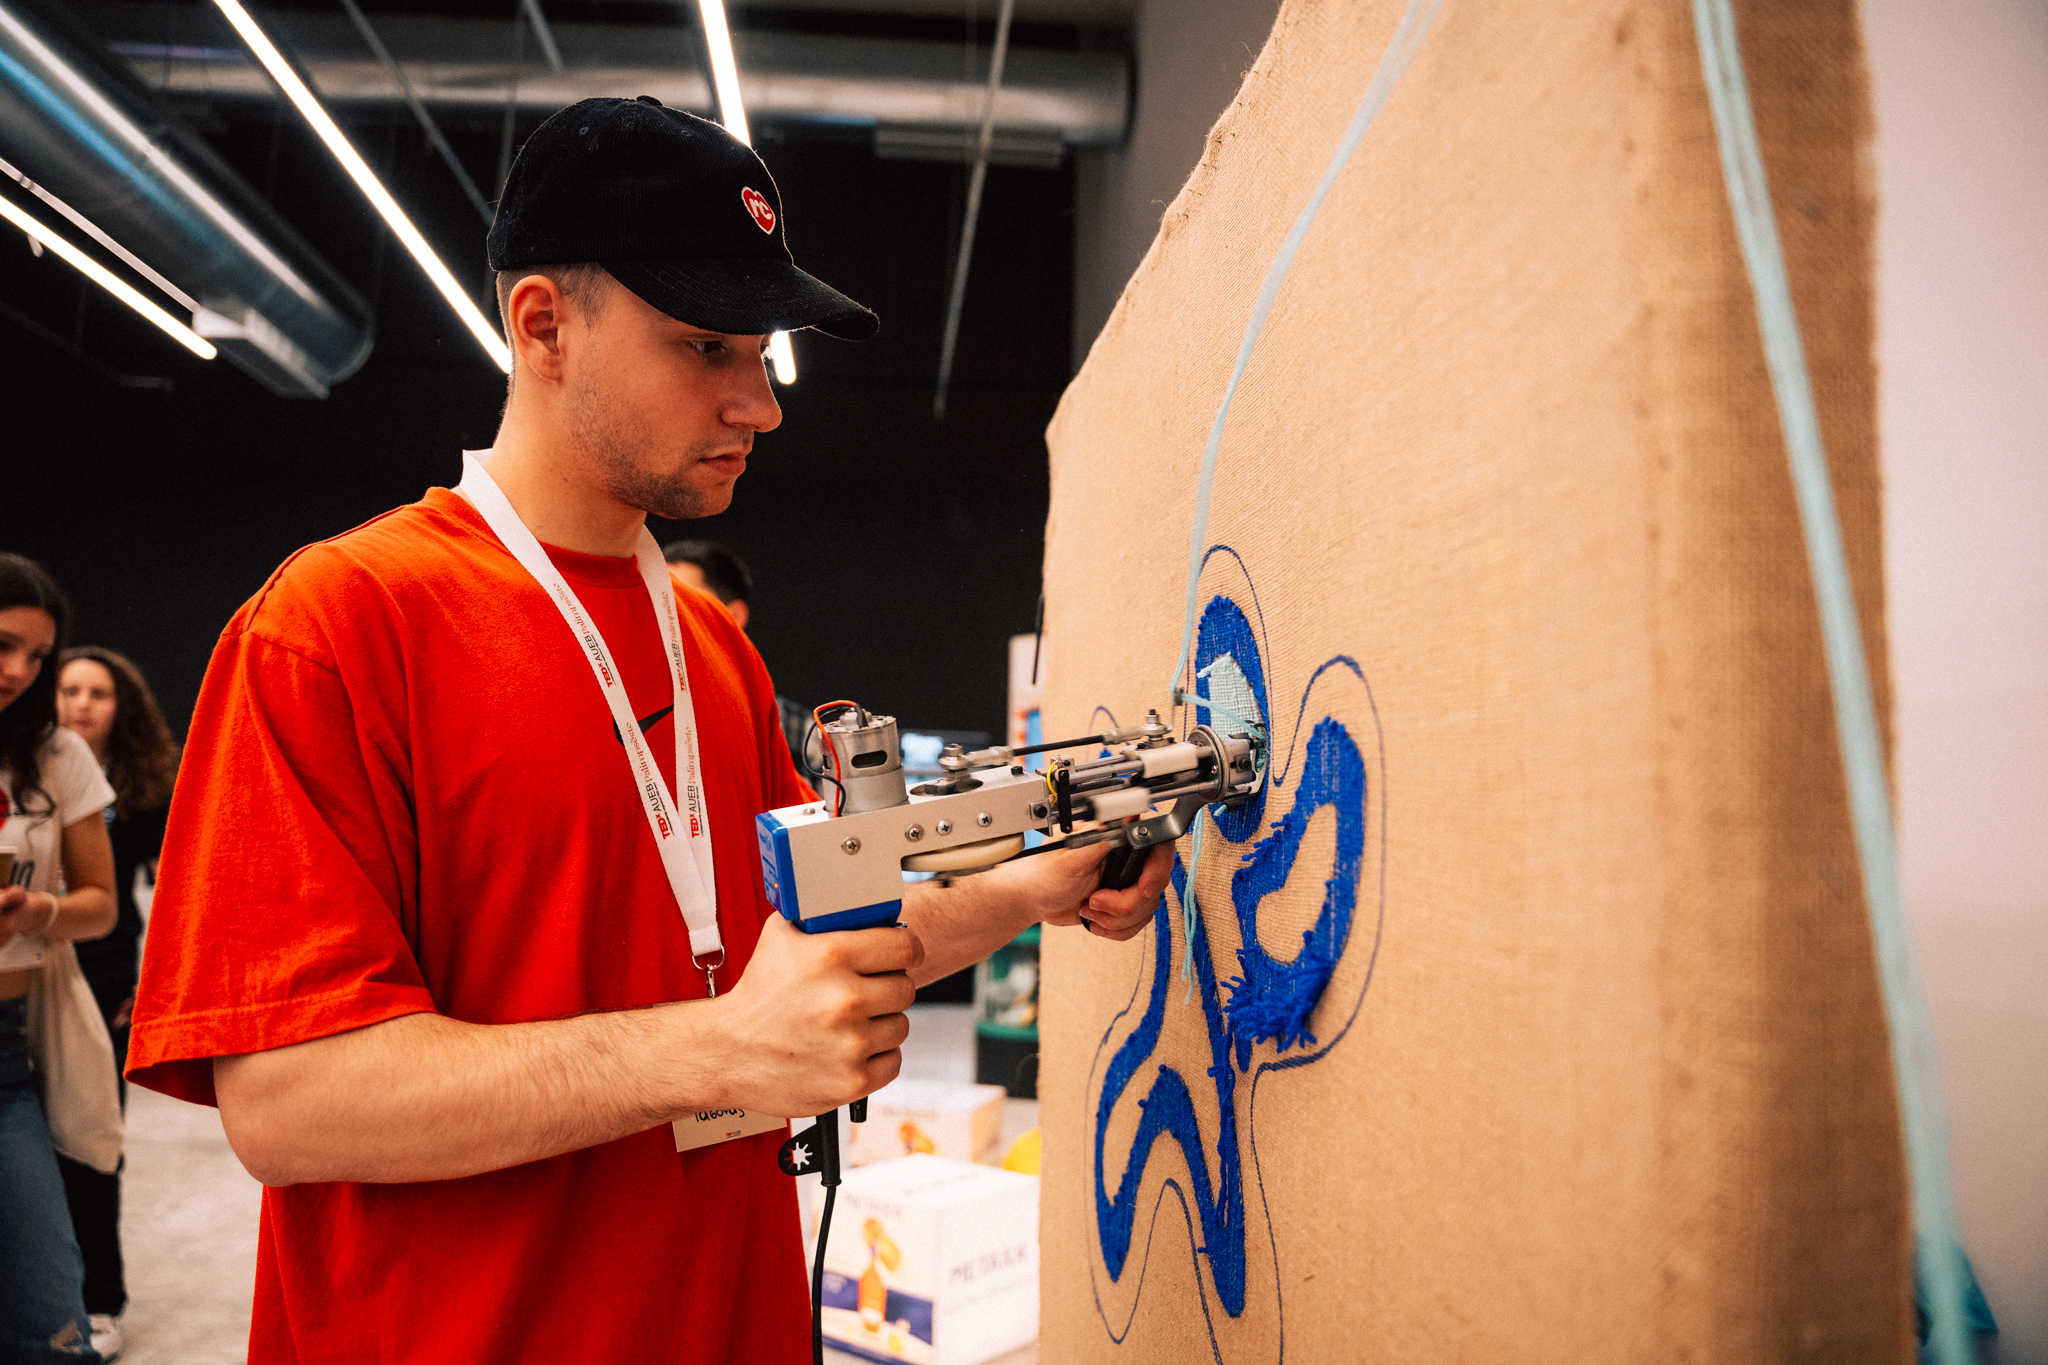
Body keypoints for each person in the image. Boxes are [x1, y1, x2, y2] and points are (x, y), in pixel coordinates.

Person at [125, 97, 1166, 1364]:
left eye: (760, 355)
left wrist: (1042, 883)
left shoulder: (710, 648)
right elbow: (288, 1106)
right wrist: (716, 1051)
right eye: (707, 347)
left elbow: (810, 942)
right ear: (543, 325)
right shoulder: (338, 626)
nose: (758, 405)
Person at [0, 553, 118, 1365]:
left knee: (51, 1316)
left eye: (37, 654)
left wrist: (40, 910)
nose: (19, 669)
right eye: (4, 644)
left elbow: (102, 903)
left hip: (7, 1051)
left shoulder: (56, 754)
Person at [53, 647, 178, 1361]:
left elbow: (172, 888)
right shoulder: (28, 772)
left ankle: (100, 1299)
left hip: (105, 981)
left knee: (93, 1143)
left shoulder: (139, 788)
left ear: (120, 706)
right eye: (70, 689)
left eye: (98, 692)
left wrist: (155, 985)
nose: (82, 703)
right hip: (26, 975)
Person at [662, 538, 811, 770]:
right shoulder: (630, 725)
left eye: (683, 603)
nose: (663, 619)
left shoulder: (801, 736)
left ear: (733, 616)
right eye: (652, 601)